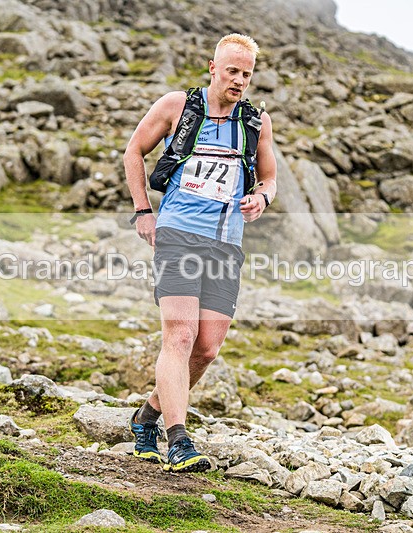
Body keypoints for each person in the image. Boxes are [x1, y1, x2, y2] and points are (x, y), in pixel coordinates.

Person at [122, 33, 277, 472]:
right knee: (180, 335)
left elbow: (269, 178)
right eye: (232, 71)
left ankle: (146, 417)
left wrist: (261, 199)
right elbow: (134, 151)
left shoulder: (255, 122)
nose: (239, 80)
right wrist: (142, 211)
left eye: (246, 74)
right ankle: (179, 440)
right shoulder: (177, 106)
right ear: (212, 68)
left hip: (226, 242)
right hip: (178, 233)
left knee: (206, 350)